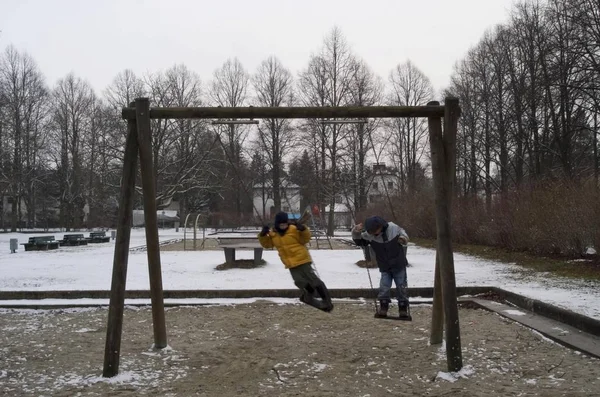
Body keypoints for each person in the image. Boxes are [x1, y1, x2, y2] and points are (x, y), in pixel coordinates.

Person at [258, 211, 333, 312]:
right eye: (281, 224)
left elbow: (305, 239)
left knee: (313, 280)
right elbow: (267, 245)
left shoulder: (294, 229)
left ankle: (327, 301)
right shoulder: (273, 234)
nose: (284, 226)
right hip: (290, 263)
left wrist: (303, 230)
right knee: (298, 281)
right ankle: (308, 295)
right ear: (277, 224)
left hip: (303, 259)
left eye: (285, 224)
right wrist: (262, 235)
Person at [352, 216, 410, 319]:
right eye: (372, 231)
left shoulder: (393, 228)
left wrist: (403, 239)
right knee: (384, 287)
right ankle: (383, 307)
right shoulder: (370, 235)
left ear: (381, 226)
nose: (375, 233)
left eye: (375, 230)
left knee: (401, 286)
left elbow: (404, 234)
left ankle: (403, 308)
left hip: (398, 264)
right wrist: (356, 231)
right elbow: (359, 241)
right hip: (385, 266)